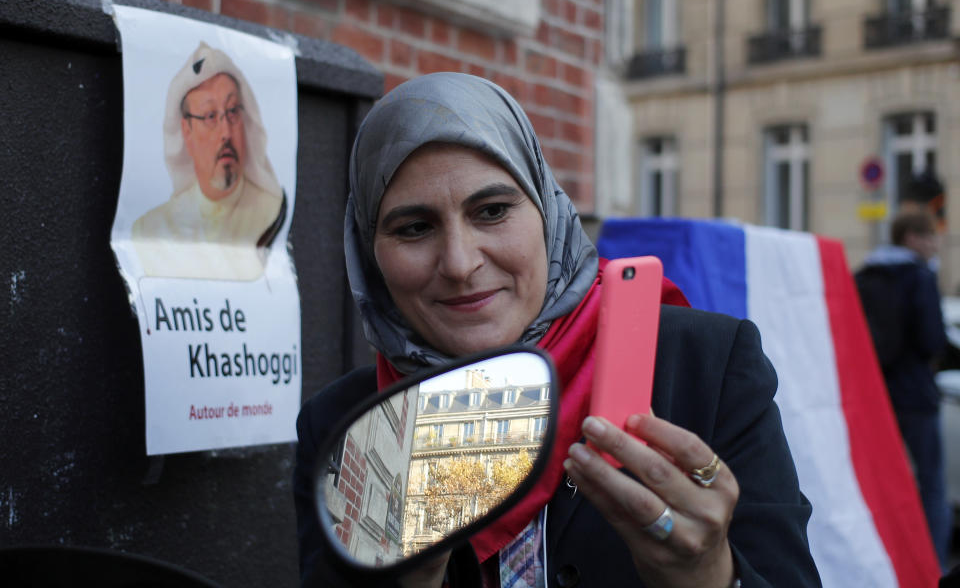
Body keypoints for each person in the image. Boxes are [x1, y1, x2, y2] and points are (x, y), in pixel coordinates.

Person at [294, 73, 821, 587]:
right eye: (414, 228)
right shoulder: (343, 431)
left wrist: (706, 574)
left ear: (548, 213)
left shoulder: (707, 366)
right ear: (370, 255)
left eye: (493, 211)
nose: (459, 262)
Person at [132, 42, 286, 281]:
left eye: (233, 111)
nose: (225, 131)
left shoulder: (273, 211)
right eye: (210, 116)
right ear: (186, 130)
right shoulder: (150, 230)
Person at [856, 208, 952, 568]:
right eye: (929, 236)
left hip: (875, 396)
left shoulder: (866, 275)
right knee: (931, 486)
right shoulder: (919, 277)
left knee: (880, 483)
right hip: (916, 396)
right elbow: (932, 339)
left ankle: (882, 561)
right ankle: (933, 566)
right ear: (910, 237)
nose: (934, 244)